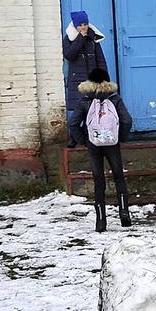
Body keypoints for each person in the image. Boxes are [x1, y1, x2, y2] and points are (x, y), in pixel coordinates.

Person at [67, 68, 133, 232]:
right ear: (107, 81)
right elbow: (127, 120)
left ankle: (101, 221)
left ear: (90, 82)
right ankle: (124, 212)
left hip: (93, 144)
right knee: (118, 175)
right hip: (112, 143)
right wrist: (121, 137)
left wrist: (84, 141)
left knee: (98, 180)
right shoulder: (115, 99)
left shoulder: (85, 100)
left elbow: (73, 124)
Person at [62, 11, 110, 147]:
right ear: (75, 26)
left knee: (91, 110)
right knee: (78, 112)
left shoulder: (93, 40)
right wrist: (80, 39)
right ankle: (73, 138)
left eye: (85, 24)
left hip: (92, 80)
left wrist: (104, 78)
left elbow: (100, 59)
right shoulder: (69, 39)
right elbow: (70, 55)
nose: (83, 27)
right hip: (77, 81)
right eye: (80, 25)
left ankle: (86, 137)